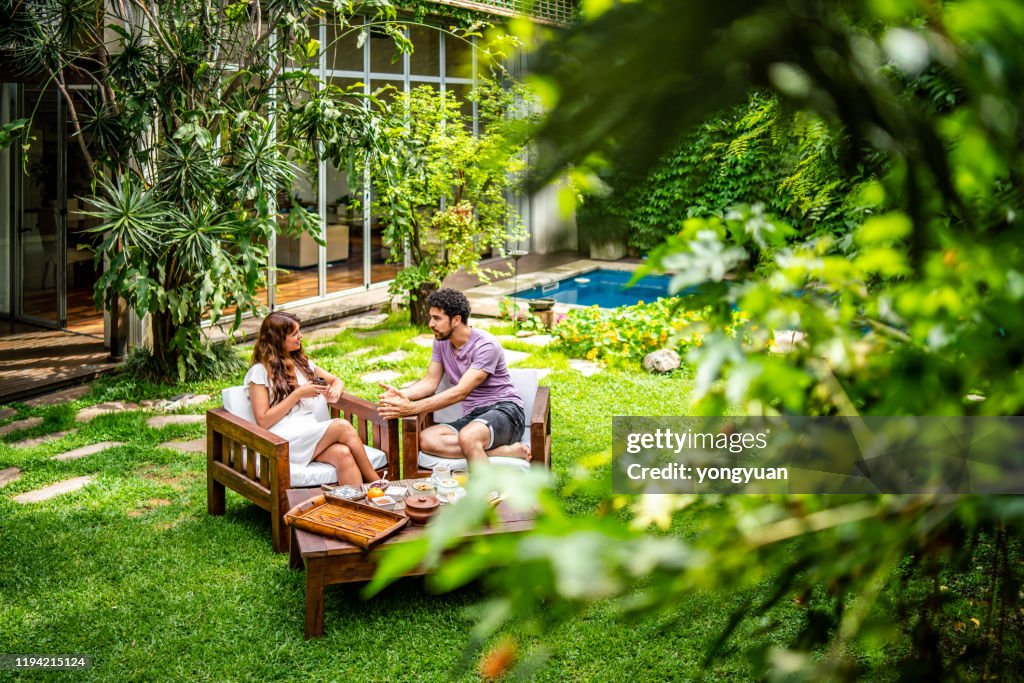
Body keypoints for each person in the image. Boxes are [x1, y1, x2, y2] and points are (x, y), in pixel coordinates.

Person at [377, 288, 530, 464]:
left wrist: (412, 408)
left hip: (506, 412)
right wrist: (402, 394)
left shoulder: (486, 346)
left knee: (469, 436)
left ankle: (485, 492)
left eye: (437, 318)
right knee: (427, 439)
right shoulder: (441, 342)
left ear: (456, 320)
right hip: (474, 416)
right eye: (431, 317)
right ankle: (501, 452)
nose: (430, 324)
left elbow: (461, 392)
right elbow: (430, 381)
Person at [245, 312, 379, 485]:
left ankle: (356, 509)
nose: (300, 336)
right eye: (294, 334)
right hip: (282, 441)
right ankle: (378, 483)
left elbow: (336, 380)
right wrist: (298, 394)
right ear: (278, 339)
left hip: (309, 432)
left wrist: (335, 392)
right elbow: (263, 420)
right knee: (342, 426)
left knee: (343, 454)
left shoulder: (303, 365)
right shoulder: (260, 372)